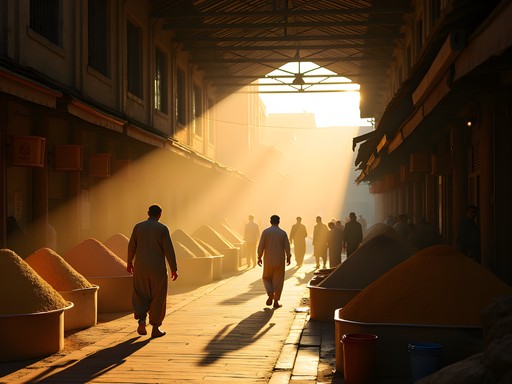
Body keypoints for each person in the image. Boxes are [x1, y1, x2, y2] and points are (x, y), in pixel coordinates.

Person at [127, 204, 178, 338]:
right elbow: (169, 250)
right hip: (158, 269)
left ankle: (141, 320)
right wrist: (174, 268)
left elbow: (131, 246)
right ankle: (155, 327)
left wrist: (129, 262)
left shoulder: (138, 227)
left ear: (148, 213)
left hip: (140, 268)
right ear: (160, 215)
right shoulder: (162, 229)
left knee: (140, 294)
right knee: (158, 297)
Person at [257, 215, 291, 308]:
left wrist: (259, 257)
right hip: (279, 260)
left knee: (266, 278)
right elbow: (287, 246)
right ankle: (276, 301)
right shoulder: (282, 233)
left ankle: (270, 292)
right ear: (279, 221)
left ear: (270, 221)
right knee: (278, 280)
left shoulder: (266, 232)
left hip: (268, 259)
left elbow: (261, 246)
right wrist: (288, 256)